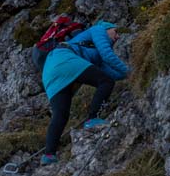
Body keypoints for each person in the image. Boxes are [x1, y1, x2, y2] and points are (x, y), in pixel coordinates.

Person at [40, 20, 128, 165]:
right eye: (116, 31)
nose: (117, 36)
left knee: (61, 114)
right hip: (65, 58)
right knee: (105, 82)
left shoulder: (95, 57)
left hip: (50, 71)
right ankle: (93, 118)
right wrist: (130, 71)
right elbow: (107, 55)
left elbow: (111, 74)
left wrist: (128, 74)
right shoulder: (98, 29)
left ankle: (48, 155)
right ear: (107, 28)